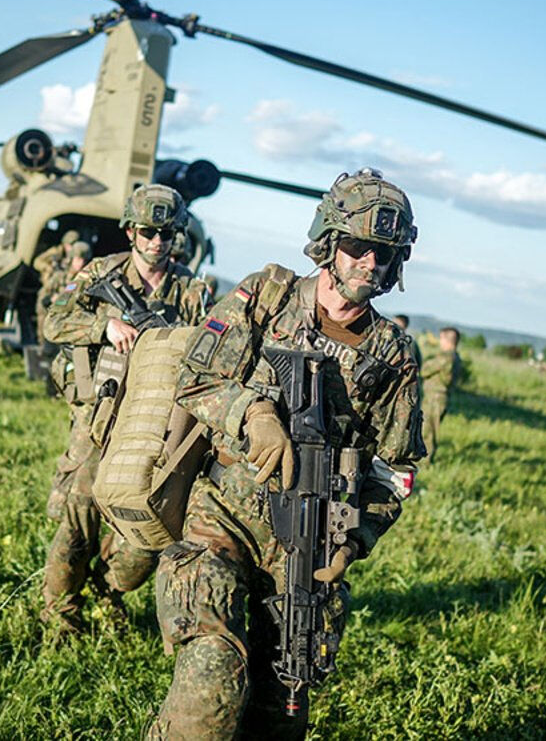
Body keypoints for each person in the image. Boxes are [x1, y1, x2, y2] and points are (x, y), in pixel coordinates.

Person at [147, 168, 422, 740]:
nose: (370, 263)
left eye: (385, 254)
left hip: (306, 552)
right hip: (221, 521)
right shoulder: (266, 295)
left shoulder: (393, 354)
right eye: (358, 247)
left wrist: (355, 539)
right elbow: (196, 376)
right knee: (214, 678)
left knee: (283, 711)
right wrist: (252, 411)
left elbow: (394, 472)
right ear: (328, 242)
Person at [36, 185, 211, 635]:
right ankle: (61, 617)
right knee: (79, 521)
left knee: (149, 526)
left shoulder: (191, 290)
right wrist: (103, 325)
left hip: (152, 421)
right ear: (131, 231)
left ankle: (108, 589)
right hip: (99, 414)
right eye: (149, 232)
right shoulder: (100, 272)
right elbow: (53, 320)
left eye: (167, 233)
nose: (157, 242)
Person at [418, 325, 462, 463]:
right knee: (429, 428)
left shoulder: (446, 358)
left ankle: (426, 461)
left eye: (441, 338)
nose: (439, 341)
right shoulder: (456, 357)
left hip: (435, 398)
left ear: (447, 340)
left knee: (428, 430)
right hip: (439, 397)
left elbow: (424, 370)